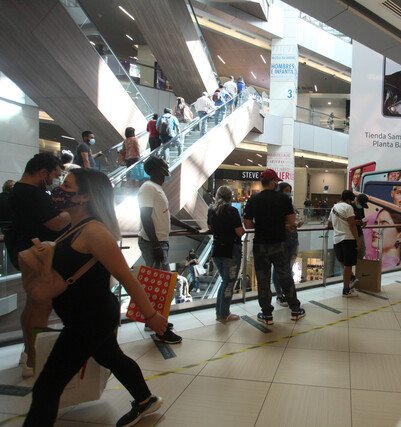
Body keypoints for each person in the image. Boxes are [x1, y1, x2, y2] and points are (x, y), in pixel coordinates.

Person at [23, 168, 165, 427]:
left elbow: (127, 277)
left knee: (47, 385)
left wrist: (152, 316)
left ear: (84, 197)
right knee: (110, 356)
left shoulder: (94, 232)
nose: (59, 190)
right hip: (84, 315)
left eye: (66, 186)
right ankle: (145, 399)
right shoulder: (74, 227)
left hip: (90, 319)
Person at [9, 154, 70, 377]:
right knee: (40, 305)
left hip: (24, 251)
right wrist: (67, 212)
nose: (55, 179)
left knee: (33, 304)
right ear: (43, 172)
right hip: (36, 254)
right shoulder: (32, 194)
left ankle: (27, 352)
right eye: (54, 175)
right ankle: (33, 359)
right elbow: (55, 224)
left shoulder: (18, 191)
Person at [138, 157, 196, 344]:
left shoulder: (155, 189)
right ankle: (160, 330)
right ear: (155, 169)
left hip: (159, 241)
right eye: (163, 167)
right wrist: (155, 244)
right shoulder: (148, 188)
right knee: (161, 287)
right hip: (153, 242)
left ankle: (155, 322)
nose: (166, 170)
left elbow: (165, 215)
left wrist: (188, 228)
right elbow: (145, 217)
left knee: (160, 286)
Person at [244, 169, 305, 324]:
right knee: (285, 277)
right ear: (272, 182)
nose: (277, 183)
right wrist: (281, 224)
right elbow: (291, 222)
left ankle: (267, 315)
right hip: (279, 244)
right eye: (276, 181)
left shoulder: (253, 200)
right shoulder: (283, 199)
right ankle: (296, 310)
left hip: (260, 245)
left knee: (263, 280)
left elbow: (248, 224)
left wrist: (263, 224)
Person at [208, 185, 244, 322]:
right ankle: (224, 314)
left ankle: (220, 313)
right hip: (231, 250)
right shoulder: (232, 210)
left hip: (217, 249)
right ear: (230, 197)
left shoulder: (211, 210)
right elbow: (240, 232)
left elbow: (210, 228)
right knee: (228, 283)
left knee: (225, 282)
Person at [271, 182, 302, 306]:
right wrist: (287, 225)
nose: (289, 193)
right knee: (278, 267)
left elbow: (296, 218)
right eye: (286, 190)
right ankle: (279, 295)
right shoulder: (275, 205)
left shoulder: (291, 205)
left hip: (293, 239)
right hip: (281, 239)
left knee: (288, 268)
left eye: (290, 190)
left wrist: (297, 223)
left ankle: (288, 293)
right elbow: (274, 222)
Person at [328, 190, 361, 297]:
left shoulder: (333, 208)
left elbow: (329, 224)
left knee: (344, 263)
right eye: (351, 200)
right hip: (348, 239)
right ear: (348, 200)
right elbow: (352, 225)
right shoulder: (348, 207)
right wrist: (358, 239)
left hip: (337, 239)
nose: (351, 202)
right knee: (348, 266)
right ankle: (346, 290)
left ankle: (351, 279)